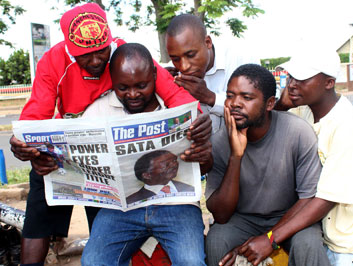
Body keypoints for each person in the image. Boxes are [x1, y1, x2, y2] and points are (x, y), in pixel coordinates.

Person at [8, 3, 200, 265]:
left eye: (102, 51)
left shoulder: (125, 55)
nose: (97, 60)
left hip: (105, 157)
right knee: (37, 217)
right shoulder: (53, 61)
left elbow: (177, 97)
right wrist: (26, 148)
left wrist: (196, 120)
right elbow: (33, 119)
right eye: (85, 56)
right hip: (68, 145)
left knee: (102, 223)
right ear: (69, 48)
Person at [81, 43, 212, 266]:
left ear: (154, 74)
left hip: (177, 207)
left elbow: (206, 168)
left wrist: (204, 154)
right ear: (112, 80)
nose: (132, 94)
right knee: (94, 261)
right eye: (123, 88)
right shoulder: (97, 112)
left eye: (142, 85)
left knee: (191, 261)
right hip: (121, 210)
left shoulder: (181, 109)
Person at [205, 64, 331, 266]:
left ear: (270, 104)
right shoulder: (221, 141)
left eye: (247, 98)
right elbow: (220, 215)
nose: (235, 104)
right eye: (230, 95)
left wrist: (270, 238)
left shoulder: (297, 132)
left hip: (291, 215)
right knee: (217, 238)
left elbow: (308, 199)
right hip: (243, 219)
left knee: (307, 243)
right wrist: (236, 156)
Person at [275, 46, 353, 266]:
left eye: (302, 78)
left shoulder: (346, 126)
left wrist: (270, 239)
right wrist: (281, 105)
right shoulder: (305, 110)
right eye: (291, 77)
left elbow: (325, 200)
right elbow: (271, 124)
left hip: (352, 246)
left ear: (329, 83)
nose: (292, 85)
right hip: (326, 236)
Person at [165, 14, 259, 131]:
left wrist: (210, 97)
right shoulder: (172, 72)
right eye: (175, 59)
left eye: (191, 55)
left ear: (208, 42)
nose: (184, 67)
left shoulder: (241, 59)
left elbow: (258, 107)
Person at [126, 150, 194, 204]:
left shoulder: (190, 189)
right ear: (147, 175)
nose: (174, 165)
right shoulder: (132, 200)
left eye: (174, 160)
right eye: (166, 164)